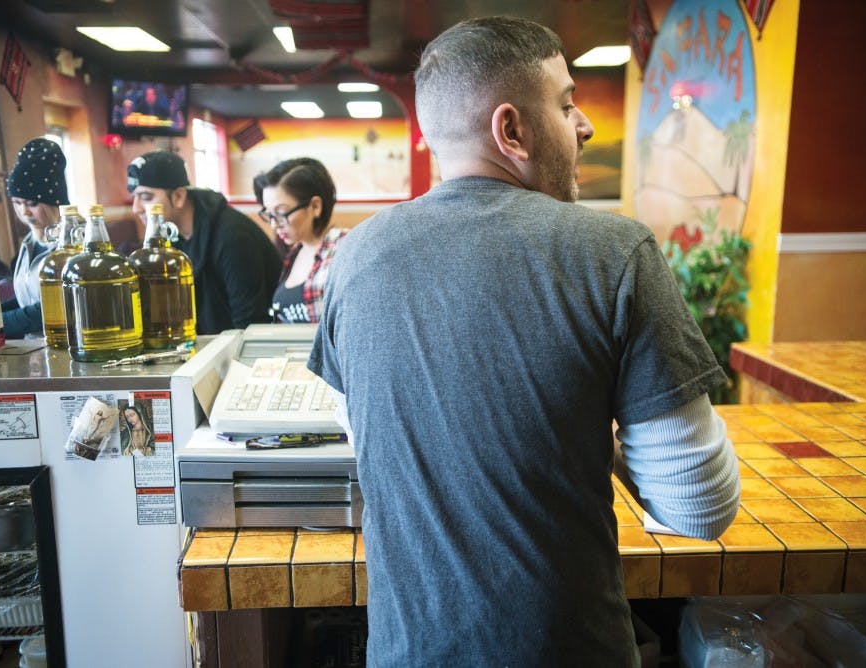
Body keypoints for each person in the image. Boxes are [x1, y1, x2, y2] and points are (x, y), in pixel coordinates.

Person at [308, 16, 741, 667]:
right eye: (567, 104)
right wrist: (596, 424)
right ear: (511, 130)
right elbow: (698, 508)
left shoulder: (354, 256)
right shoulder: (612, 252)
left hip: (407, 650)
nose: (585, 124)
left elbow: (365, 427)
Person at [127, 150, 282, 333]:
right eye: (134, 197)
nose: (136, 208)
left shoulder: (232, 237)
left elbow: (249, 324)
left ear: (178, 196)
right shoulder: (172, 237)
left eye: (146, 197)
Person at [252, 158, 348, 323]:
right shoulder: (295, 250)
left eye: (281, 213)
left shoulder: (345, 248)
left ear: (315, 206)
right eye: (269, 214)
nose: (274, 225)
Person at [2, 137, 69, 338]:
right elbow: (27, 300)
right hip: (36, 351)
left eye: (31, 203)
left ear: (54, 201)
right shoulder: (30, 243)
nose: (24, 212)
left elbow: (50, 309)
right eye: (17, 202)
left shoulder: (72, 242)